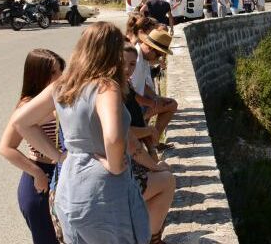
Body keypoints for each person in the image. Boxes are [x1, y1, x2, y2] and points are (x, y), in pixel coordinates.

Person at [11, 22, 151, 244]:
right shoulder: (106, 87)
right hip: (104, 192)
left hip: (70, 187)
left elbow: (22, 122)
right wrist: (114, 166)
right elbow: (113, 138)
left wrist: (59, 157)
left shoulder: (63, 86)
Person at [0, 49, 66, 244]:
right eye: (53, 73)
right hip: (40, 179)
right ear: (38, 75)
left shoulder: (58, 97)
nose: (59, 77)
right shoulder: (27, 106)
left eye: (60, 71)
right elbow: (6, 148)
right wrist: (37, 174)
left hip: (62, 171)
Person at [122, 43, 176, 240]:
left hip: (128, 158)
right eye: (124, 64)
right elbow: (126, 136)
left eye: (132, 65)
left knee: (163, 171)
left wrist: (154, 102)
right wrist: (153, 163)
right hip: (122, 170)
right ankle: (152, 237)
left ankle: (151, 235)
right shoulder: (110, 92)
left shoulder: (122, 85)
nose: (128, 69)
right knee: (167, 178)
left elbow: (136, 101)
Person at [133, 27, 178, 148]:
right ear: (150, 48)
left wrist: (156, 98)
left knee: (171, 104)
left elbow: (143, 84)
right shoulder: (135, 60)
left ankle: (154, 143)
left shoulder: (143, 58)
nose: (158, 59)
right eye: (158, 54)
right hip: (133, 109)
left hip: (141, 104)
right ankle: (149, 142)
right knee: (167, 105)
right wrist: (151, 103)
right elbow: (130, 94)